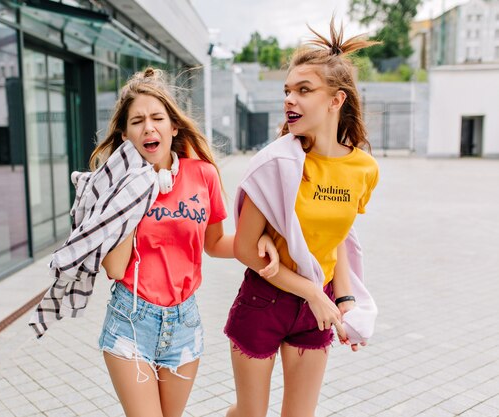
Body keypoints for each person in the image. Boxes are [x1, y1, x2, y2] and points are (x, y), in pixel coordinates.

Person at [88, 68, 279, 417]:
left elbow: (216, 242)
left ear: (173, 127)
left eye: (157, 118)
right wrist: (132, 194)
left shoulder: (201, 175)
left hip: (184, 322)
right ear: (126, 135)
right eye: (137, 121)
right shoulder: (115, 187)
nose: (149, 127)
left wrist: (261, 241)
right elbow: (115, 268)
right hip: (131, 319)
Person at [224, 20, 380, 417]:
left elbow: (339, 238)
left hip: (319, 305)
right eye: (287, 91)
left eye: (304, 90)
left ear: (336, 100)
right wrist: (312, 293)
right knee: (249, 415)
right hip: (264, 300)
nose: (290, 100)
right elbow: (245, 249)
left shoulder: (363, 168)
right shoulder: (274, 163)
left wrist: (343, 301)